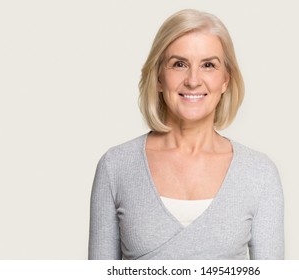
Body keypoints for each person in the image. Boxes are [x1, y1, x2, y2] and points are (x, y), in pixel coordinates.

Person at [88, 9, 284, 260]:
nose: (193, 80)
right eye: (179, 64)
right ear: (159, 76)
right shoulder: (115, 167)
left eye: (208, 65)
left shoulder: (260, 174)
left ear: (225, 79)